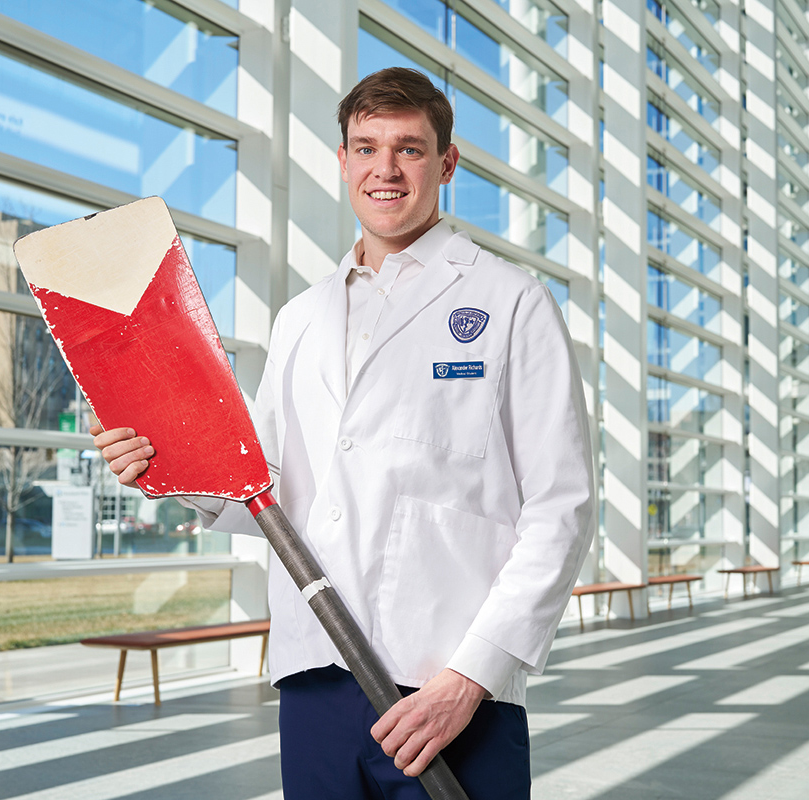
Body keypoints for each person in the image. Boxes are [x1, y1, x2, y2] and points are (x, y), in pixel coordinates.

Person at [92, 67, 595, 799]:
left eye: (409, 149)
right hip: (315, 680)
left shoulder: (509, 301)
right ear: (342, 162)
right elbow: (266, 492)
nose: (384, 169)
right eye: (365, 148)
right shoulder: (301, 319)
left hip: (448, 691)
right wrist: (163, 467)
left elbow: (562, 509)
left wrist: (473, 676)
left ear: (447, 163)